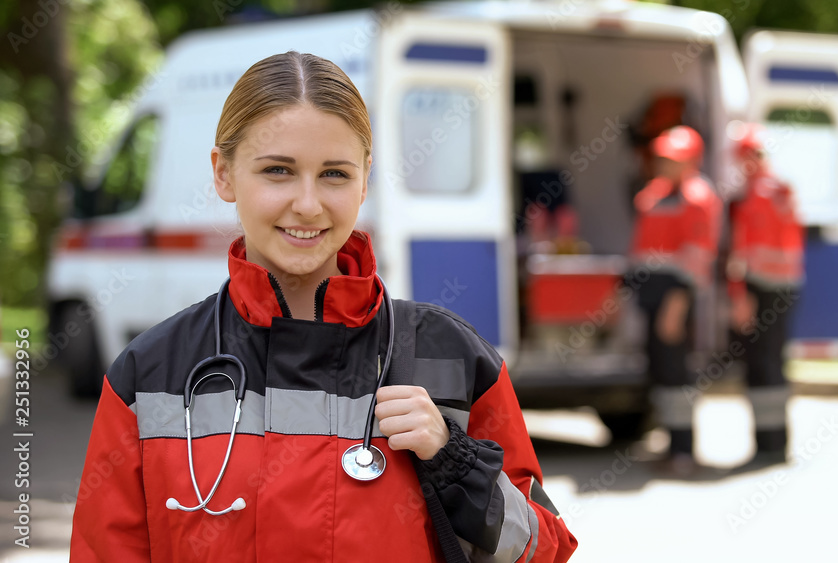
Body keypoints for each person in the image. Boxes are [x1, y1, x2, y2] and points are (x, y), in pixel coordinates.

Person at [69, 51, 577, 562]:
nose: (308, 204)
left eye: (334, 173)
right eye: (278, 171)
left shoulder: (453, 358)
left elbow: (544, 551)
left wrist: (453, 459)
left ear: (365, 178)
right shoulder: (150, 373)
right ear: (223, 174)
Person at [629, 125, 720, 476]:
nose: (665, 165)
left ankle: (684, 450)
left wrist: (677, 305)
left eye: (673, 159)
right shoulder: (655, 193)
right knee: (660, 372)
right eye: (663, 158)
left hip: (674, 297)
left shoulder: (697, 197)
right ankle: (670, 444)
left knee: (675, 372)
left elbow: (698, 257)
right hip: (651, 294)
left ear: (693, 160)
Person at [727, 123, 805, 467]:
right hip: (784, 288)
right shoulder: (782, 190)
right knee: (771, 364)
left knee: (762, 366)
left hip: (759, 289)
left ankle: (767, 447)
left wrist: (738, 295)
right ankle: (774, 445)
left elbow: (740, 252)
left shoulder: (752, 196)